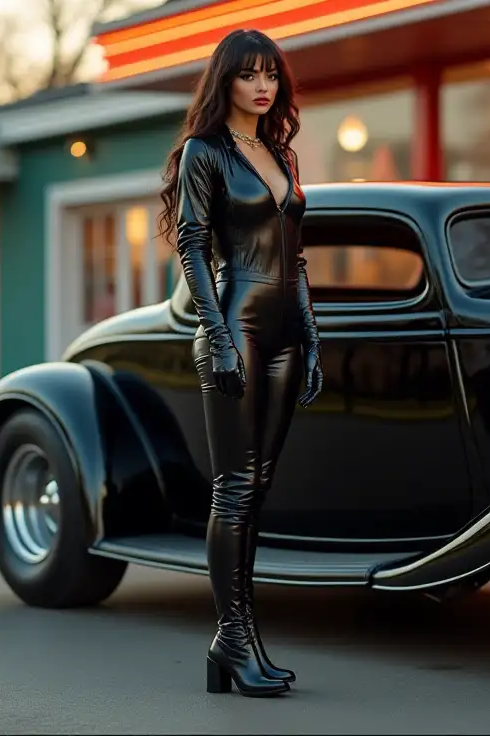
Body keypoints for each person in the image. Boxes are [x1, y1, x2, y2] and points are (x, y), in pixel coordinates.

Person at [158, 28, 323, 698]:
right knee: (233, 487)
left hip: (284, 328)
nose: (262, 86)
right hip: (237, 324)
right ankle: (233, 638)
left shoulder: (279, 151)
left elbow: (298, 255)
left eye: (271, 76)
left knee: (257, 487)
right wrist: (218, 335)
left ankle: (239, 639)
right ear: (223, 80)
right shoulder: (206, 152)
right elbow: (192, 244)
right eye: (248, 75)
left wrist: (312, 335)